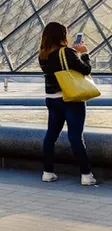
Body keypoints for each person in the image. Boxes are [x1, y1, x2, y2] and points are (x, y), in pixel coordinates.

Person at [39, 22, 96, 185]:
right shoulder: (67, 52)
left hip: (52, 99)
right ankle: (86, 175)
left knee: (51, 136)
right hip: (70, 98)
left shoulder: (42, 55)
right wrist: (83, 53)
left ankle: (47, 172)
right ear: (62, 35)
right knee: (75, 136)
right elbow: (86, 70)